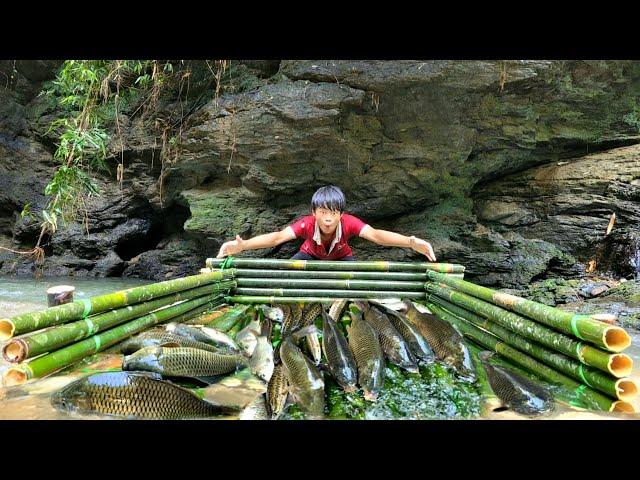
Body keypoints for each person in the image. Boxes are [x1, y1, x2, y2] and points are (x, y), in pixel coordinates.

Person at [216, 185, 437, 261]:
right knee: (286, 274)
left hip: (341, 257)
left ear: (341, 214)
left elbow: (377, 235)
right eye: (322, 212)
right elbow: (277, 238)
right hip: (309, 255)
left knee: (355, 288)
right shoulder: (306, 224)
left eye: (333, 212)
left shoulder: (349, 222)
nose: (328, 218)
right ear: (314, 213)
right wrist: (243, 246)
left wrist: (410, 242)